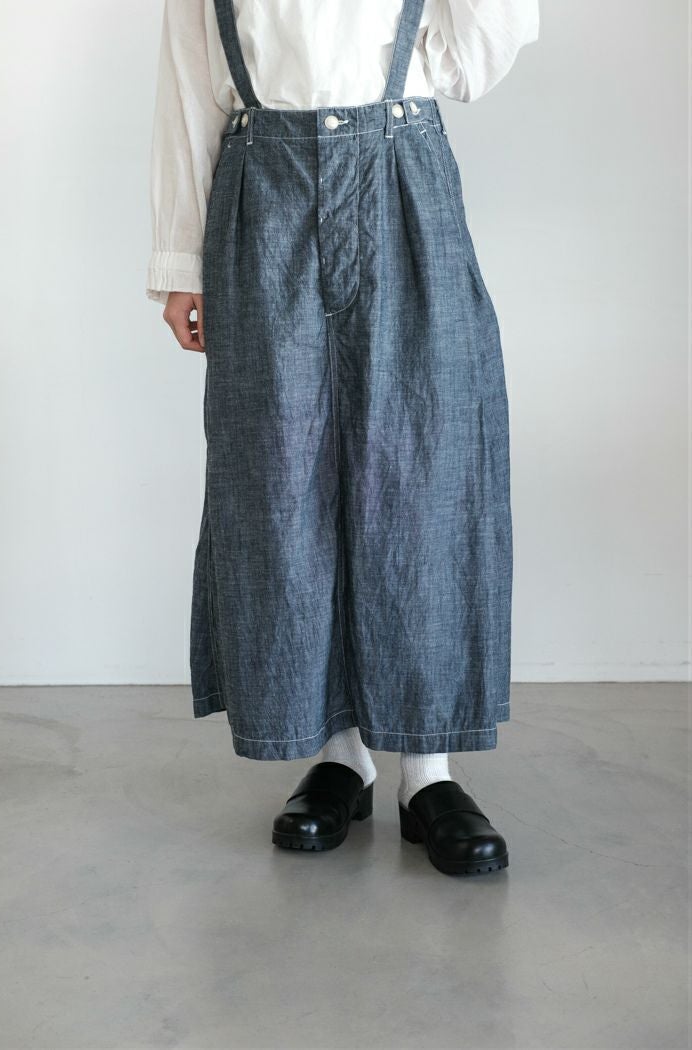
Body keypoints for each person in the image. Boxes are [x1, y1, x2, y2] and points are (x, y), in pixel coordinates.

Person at [147, 0, 539, 876]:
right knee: (280, 476)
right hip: (261, 190)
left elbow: (471, 64)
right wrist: (177, 262)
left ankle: (428, 769)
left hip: (401, 178)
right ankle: (340, 755)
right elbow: (187, 85)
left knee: (423, 471)